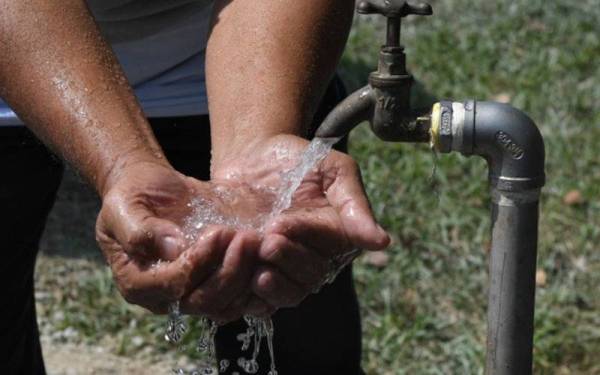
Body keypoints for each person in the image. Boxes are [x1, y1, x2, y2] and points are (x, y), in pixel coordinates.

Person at [0, 1, 390, 374]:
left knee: (301, 340)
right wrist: (121, 163)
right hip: (18, 48)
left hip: (243, 59)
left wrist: (257, 137)